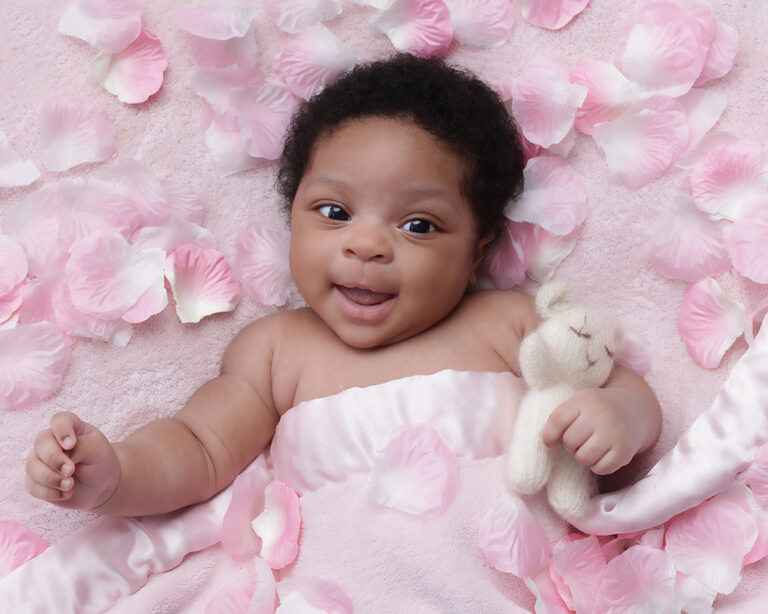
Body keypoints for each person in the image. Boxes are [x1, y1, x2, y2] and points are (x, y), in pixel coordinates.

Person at [24, 54, 661, 518]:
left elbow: (618, 384)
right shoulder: (276, 352)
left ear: (476, 253)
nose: (366, 245)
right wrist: (116, 474)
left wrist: (621, 418)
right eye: (334, 212)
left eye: (418, 224)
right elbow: (199, 448)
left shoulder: (507, 324)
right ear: (292, 218)